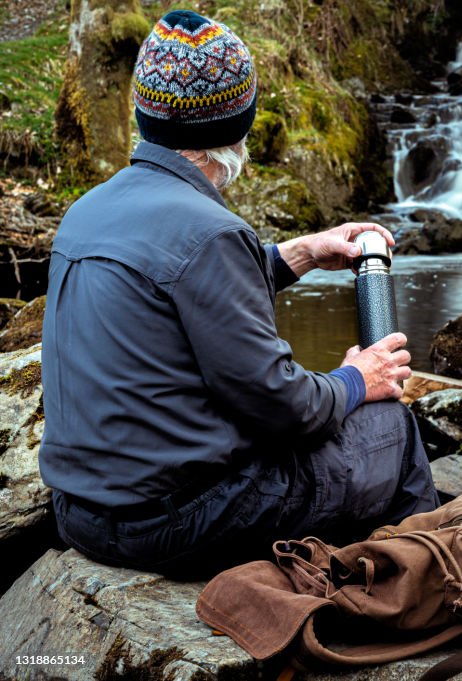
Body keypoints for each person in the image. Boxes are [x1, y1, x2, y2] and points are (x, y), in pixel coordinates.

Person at [38, 9, 438, 578]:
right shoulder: (210, 233)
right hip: (176, 525)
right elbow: (286, 408)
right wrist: (358, 379)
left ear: (146, 114)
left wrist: (298, 253)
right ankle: (423, 588)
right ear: (236, 126)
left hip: (82, 515)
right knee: (391, 424)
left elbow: (176, 293)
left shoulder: (87, 212)